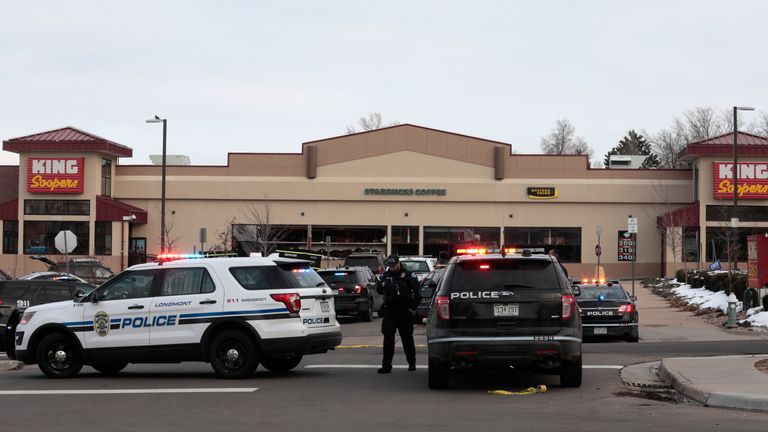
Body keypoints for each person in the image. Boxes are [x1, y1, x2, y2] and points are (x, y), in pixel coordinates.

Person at [376, 254, 420, 373]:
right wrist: (381, 284)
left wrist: (413, 307)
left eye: (393, 266)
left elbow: (418, 293)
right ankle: (386, 366)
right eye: (389, 266)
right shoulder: (387, 275)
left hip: (404, 310)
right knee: (388, 337)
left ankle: (411, 362)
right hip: (390, 310)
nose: (392, 268)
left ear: (398, 263)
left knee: (407, 338)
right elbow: (379, 290)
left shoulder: (408, 275)